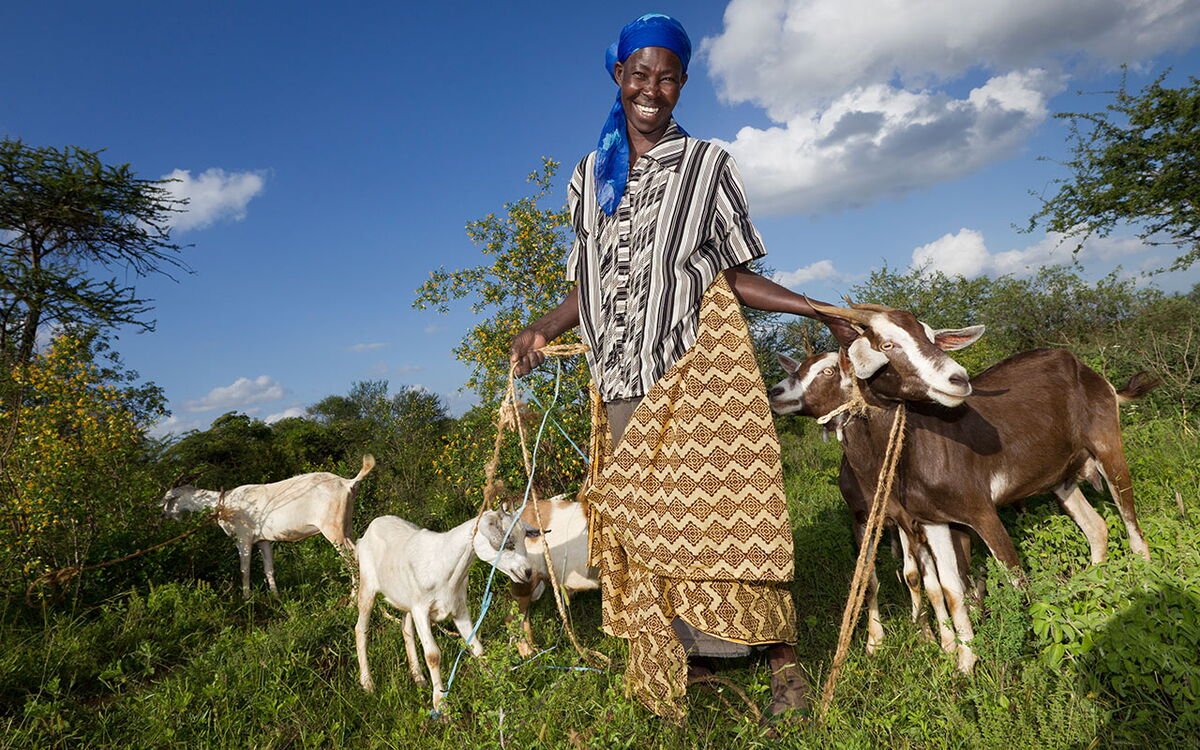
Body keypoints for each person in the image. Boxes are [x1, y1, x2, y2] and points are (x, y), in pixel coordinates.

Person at [509, 13, 833, 723]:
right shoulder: (589, 176)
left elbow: (736, 272)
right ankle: (682, 659)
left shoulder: (709, 165)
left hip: (698, 372)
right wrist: (540, 328)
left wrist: (818, 309)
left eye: (668, 77)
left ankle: (782, 663)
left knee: (731, 518)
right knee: (655, 532)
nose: (652, 89)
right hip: (622, 379)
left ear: (682, 84)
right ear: (618, 77)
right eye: (640, 74)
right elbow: (587, 283)